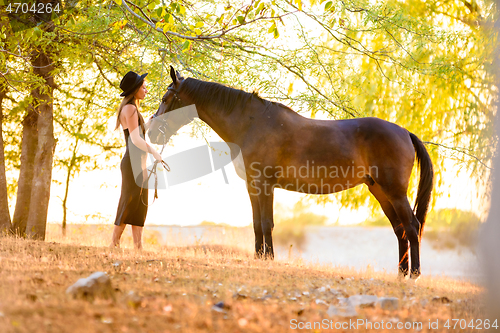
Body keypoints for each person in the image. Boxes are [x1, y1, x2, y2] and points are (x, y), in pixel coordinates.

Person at [110, 71, 163, 249]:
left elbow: (136, 133)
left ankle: (138, 247)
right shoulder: (131, 108)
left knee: (140, 204)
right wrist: (154, 151)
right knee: (129, 201)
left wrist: (147, 123)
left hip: (138, 163)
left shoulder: (131, 108)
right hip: (133, 163)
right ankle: (114, 243)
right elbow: (135, 140)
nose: (146, 90)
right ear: (135, 89)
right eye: (143, 87)